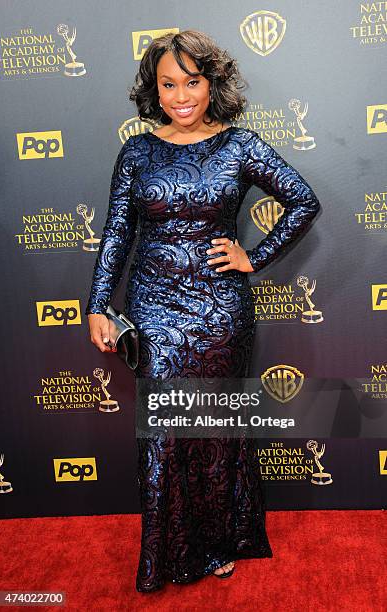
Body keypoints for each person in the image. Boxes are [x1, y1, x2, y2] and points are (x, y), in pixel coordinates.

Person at [85, 30, 321, 592]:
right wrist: (96, 304)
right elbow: (119, 229)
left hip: (220, 310)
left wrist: (254, 258)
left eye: (192, 81)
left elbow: (303, 200)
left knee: (213, 428)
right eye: (168, 84)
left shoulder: (240, 145)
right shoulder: (137, 151)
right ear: (154, 89)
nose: (181, 96)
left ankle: (216, 543)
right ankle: (170, 553)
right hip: (154, 306)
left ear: (212, 83)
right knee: (166, 430)